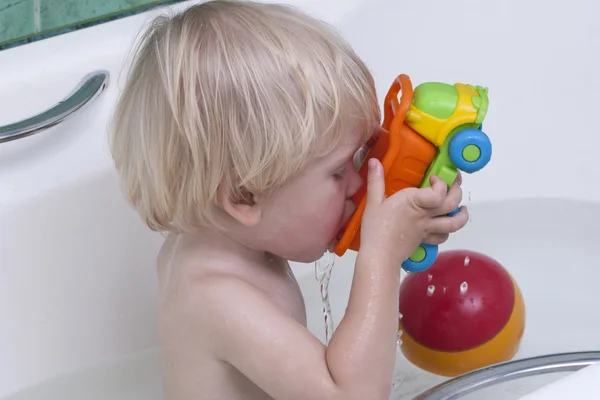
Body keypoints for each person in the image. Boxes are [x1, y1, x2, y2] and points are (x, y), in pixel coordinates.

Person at [108, 1, 469, 399]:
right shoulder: (215, 298)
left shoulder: (230, 238)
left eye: (359, 157)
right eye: (337, 172)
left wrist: (401, 227)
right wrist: (381, 257)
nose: (358, 181)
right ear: (245, 196)